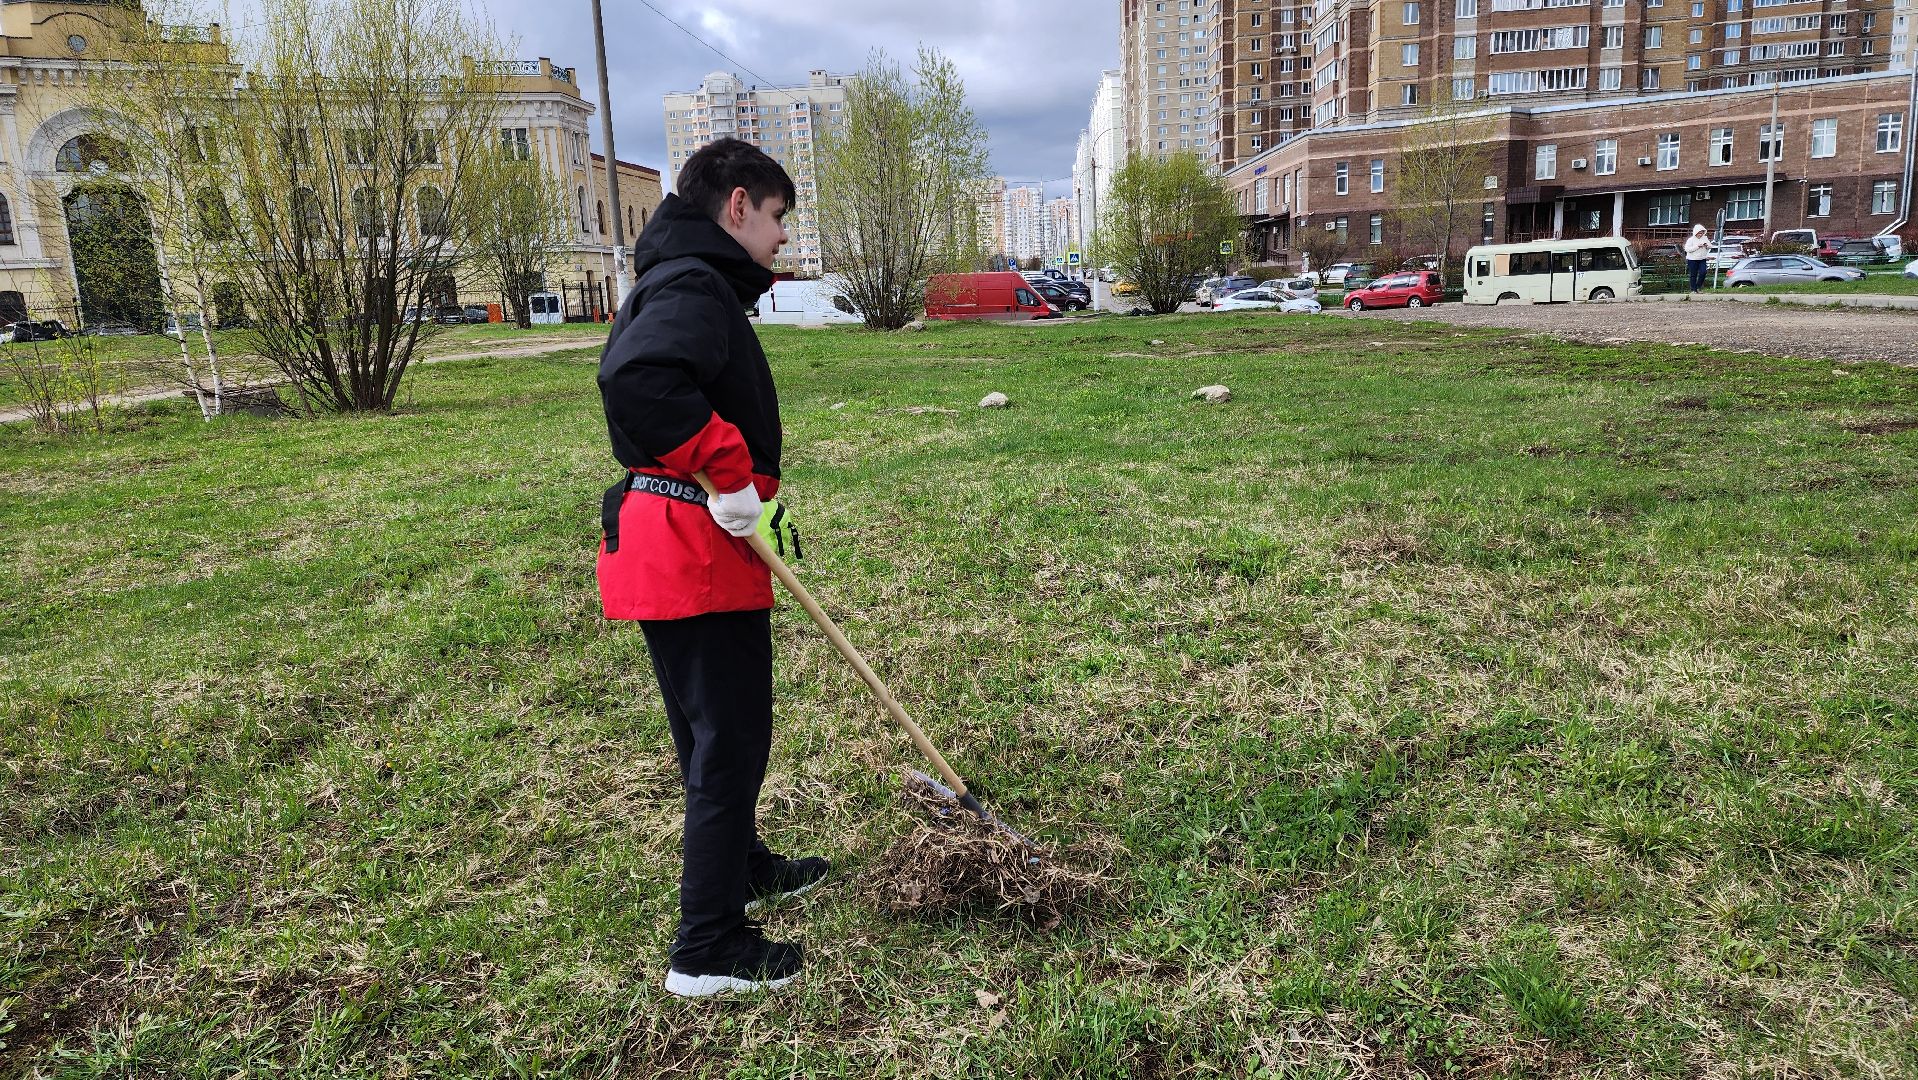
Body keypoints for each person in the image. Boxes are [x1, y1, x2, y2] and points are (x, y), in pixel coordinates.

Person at [596, 137, 828, 998]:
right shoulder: (692, 283)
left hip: (686, 542)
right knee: (727, 742)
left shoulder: (678, 274)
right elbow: (638, 381)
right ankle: (707, 948)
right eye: (775, 220)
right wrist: (730, 469)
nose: (779, 241)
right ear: (737, 206)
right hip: (689, 544)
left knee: (711, 732)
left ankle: (745, 866)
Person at [1683, 223, 1712, 294]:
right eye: (1699, 233)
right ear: (1695, 232)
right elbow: (1687, 249)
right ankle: (1693, 289)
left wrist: (1706, 246)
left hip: (1702, 259)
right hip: (1692, 259)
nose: (1700, 234)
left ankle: (1698, 286)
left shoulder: (1705, 238)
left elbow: (1710, 246)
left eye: (1702, 233)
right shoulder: (1691, 240)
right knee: (1693, 274)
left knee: (1703, 272)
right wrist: (1697, 246)